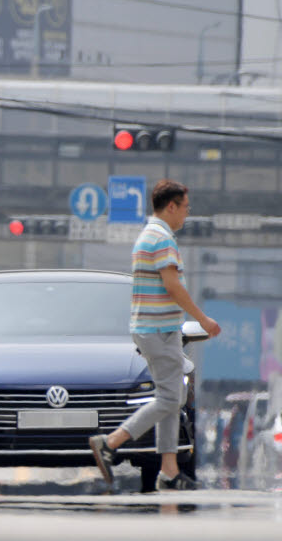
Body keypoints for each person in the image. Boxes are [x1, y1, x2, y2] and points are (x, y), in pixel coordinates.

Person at [90, 179, 221, 492]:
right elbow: (172, 286)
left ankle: (169, 471)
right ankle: (110, 442)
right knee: (170, 398)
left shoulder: (151, 234)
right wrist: (202, 319)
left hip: (157, 329)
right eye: (185, 209)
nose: (186, 216)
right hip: (158, 330)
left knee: (170, 399)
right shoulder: (161, 238)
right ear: (171, 206)